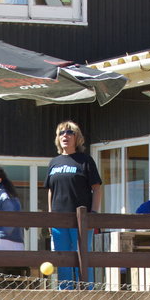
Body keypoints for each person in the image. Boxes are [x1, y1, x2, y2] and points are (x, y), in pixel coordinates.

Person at [45, 121, 102, 287]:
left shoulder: (85, 160)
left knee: (82, 257)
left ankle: (86, 292)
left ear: (77, 138)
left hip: (81, 220)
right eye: (61, 133)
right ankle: (65, 293)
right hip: (58, 220)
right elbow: (50, 191)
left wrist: (93, 214)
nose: (65, 136)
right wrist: (50, 218)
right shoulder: (54, 162)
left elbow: (97, 189)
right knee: (62, 258)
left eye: (70, 133)